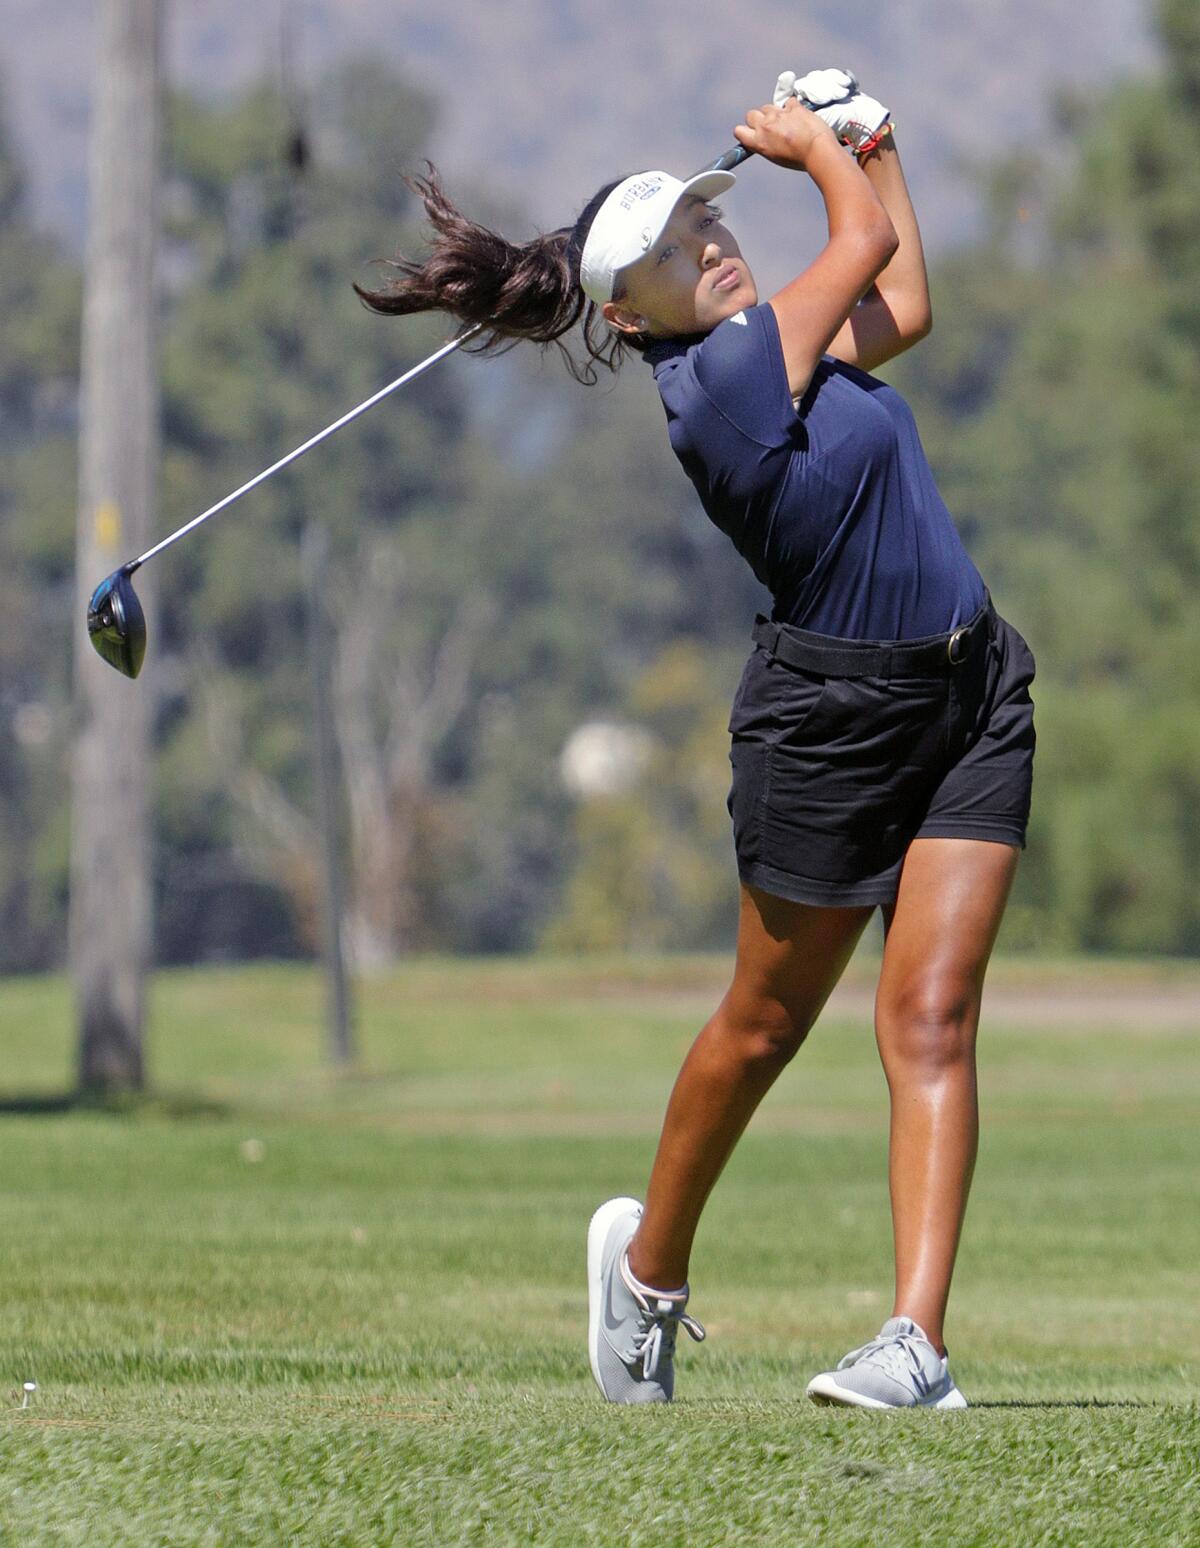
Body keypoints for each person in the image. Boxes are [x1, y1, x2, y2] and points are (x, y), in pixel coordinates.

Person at [356, 68, 1036, 1411]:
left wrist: (873, 146)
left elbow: (901, 303)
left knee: (936, 1018)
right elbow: (862, 245)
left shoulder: (777, 344)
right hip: (828, 729)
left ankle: (915, 1344)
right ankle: (647, 1273)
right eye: (673, 251)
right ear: (628, 316)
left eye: (709, 226)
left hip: (971, 694)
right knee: (764, 1025)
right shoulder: (719, 381)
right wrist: (814, 151)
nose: (710, 244)